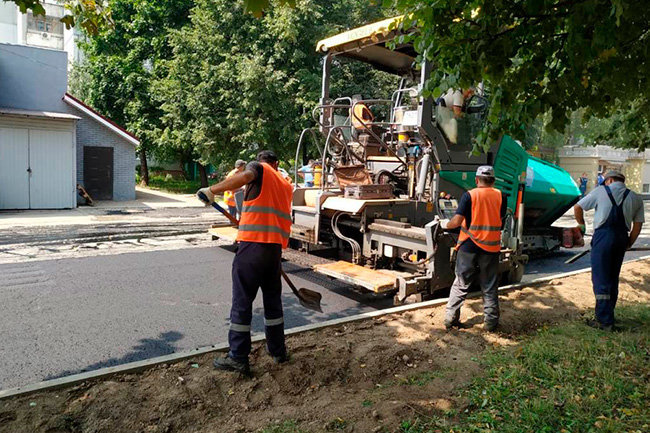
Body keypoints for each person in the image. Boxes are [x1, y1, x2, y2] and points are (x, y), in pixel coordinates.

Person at [197, 150, 293, 374]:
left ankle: (238, 357)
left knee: (242, 302)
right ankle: (278, 351)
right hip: (273, 251)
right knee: (273, 303)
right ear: (277, 163)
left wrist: (211, 190)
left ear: (261, 161)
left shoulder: (259, 169)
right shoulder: (285, 183)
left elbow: (246, 176)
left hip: (252, 248)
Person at [574, 170, 644, 331]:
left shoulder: (600, 191)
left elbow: (578, 207)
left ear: (609, 180)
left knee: (601, 278)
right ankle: (608, 315)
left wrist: (581, 225)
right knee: (613, 277)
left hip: (603, 237)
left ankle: (604, 322)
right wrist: (629, 243)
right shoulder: (635, 197)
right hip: (621, 237)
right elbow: (637, 226)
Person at [442, 166, 507, 332]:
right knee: (489, 285)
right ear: (493, 181)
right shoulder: (501, 196)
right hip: (491, 247)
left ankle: (450, 318)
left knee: (461, 283)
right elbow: (500, 220)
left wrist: (445, 224)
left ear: (477, 180)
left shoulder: (469, 195)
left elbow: (456, 222)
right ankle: (491, 323)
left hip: (469, 245)